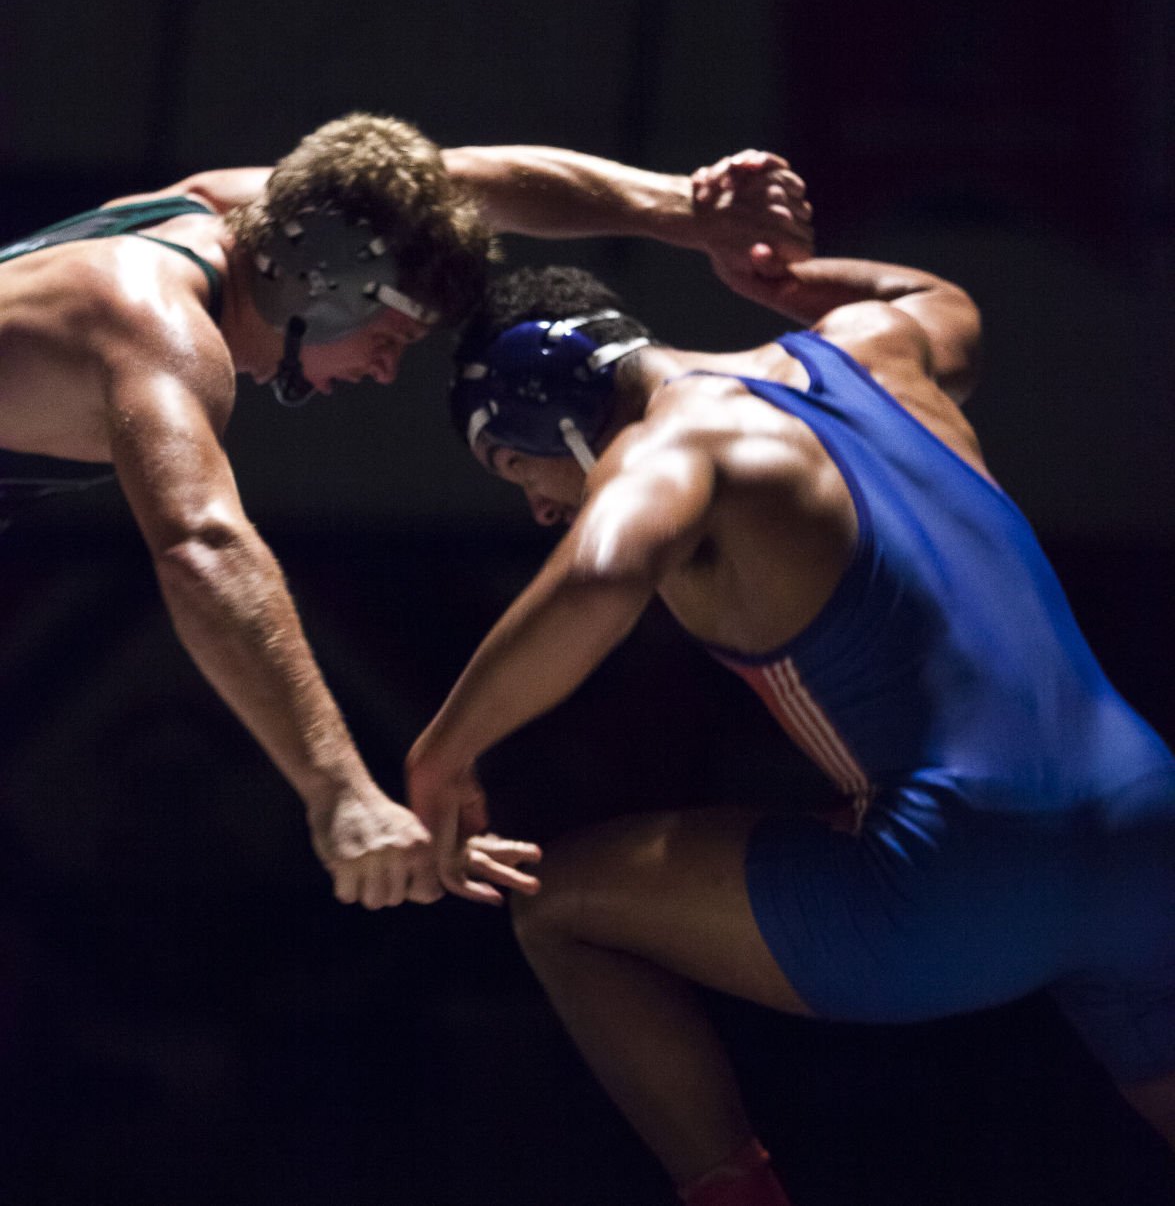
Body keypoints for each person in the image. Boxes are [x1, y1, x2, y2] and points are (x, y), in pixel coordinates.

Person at [406, 151, 1175, 1206]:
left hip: (960, 875)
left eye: (516, 468)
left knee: (554, 906)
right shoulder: (873, 348)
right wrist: (789, 285)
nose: (539, 504)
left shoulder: (675, 444)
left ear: (550, 406)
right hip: (1145, 828)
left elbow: (599, 573)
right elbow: (931, 295)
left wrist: (442, 750)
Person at [0, 120, 811, 915]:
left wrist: (685, 209)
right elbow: (202, 547)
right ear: (321, 289)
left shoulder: (232, 215)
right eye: (390, 334)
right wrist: (340, 791)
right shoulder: (155, 325)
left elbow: (466, 178)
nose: (384, 370)